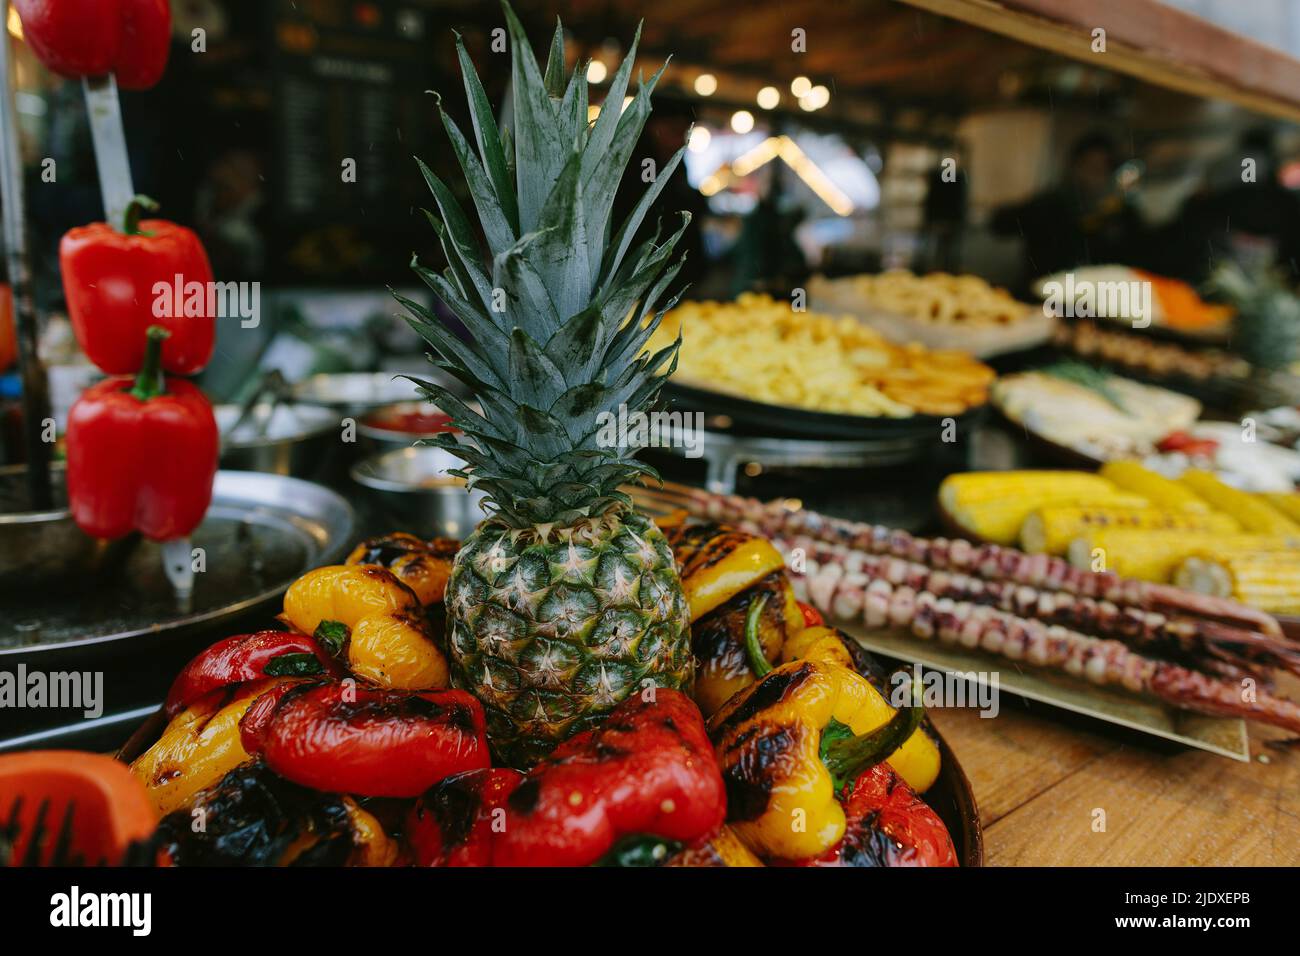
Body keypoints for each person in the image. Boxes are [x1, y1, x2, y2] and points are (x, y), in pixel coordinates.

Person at [991, 131, 1146, 292]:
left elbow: (1135, 258)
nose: (1094, 176)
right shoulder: (1051, 203)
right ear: (1074, 167)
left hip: (1095, 299)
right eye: (1089, 166)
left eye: (1102, 169)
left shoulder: (1121, 213)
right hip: (1042, 294)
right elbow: (1000, 225)